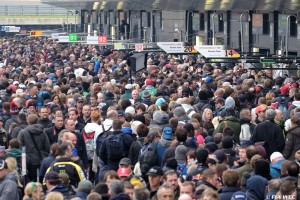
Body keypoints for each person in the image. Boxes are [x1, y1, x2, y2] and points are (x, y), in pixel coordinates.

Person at [17, 114, 50, 181]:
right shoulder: (42, 132)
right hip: (41, 159)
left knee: (29, 180)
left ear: (27, 121)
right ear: (37, 121)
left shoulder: (22, 132)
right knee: (40, 179)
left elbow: (20, 147)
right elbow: (47, 146)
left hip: (28, 161)